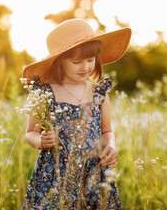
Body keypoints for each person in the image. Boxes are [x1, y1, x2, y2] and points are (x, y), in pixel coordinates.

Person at [22, 19, 131, 209]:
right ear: (59, 62)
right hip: (55, 175)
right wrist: (41, 141)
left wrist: (111, 146)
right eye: (76, 62)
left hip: (93, 174)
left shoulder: (99, 93)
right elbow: (30, 132)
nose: (85, 67)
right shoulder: (45, 94)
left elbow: (106, 131)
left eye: (90, 60)